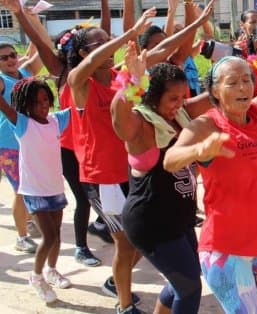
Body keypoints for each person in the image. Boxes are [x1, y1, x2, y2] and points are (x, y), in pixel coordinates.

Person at [163, 20, 257, 314]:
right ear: (214, 91)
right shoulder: (205, 125)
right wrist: (198, 150)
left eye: (247, 80)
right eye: (233, 82)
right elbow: (169, 160)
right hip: (226, 249)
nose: (243, 87)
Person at [63, 8, 159, 313]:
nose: (110, 46)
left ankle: (118, 280)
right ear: (82, 52)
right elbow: (89, 64)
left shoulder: (120, 77)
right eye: (100, 43)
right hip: (102, 177)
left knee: (148, 237)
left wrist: (190, 20)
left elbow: (162, 51)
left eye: (110, 41)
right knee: (126, 242)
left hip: (129, 171)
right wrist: (128, 34)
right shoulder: (79, 83)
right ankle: (124, 303)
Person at [4, 0, 113, 265]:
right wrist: (19, 13)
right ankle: (81, 247)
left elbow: (106, 36)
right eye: (94, 46)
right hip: (67, 148)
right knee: (85, 198)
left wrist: (106, 4)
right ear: (78, 50)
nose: (103, 49)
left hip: (92, 146)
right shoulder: (63, 73)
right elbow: (40, 45)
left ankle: (103, 226)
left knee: (102, 194)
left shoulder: (100, 73)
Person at [112, 42, 201, 314]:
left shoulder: (180, 116)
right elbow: (118, 117)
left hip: (180, 219)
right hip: (151, 223)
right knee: (189, 287)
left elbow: (222, 95)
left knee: (181, 282)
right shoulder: (141, 124)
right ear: (153, 96)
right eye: (173, 98)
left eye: (183, 97)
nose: (180, 103)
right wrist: (133, 79)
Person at [0, 78, 71, 302]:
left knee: (57, 235)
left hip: (55, 188)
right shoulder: (21, 123)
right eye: (36, 101)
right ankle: (36, 276)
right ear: (24, 104)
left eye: (45, 100)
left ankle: (51, 270)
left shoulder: (56, 120)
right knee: (48, 237)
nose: (42, 105)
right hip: (34, 191)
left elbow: (80, 105)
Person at [0, 41, 42, 254]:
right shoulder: (2, 80)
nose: (10, 59)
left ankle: (27, 219)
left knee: (30, 187)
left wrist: (31, 19)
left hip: (29, 140)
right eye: (4, 57)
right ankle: (21, 237)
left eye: (12, 55)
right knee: (21, 190)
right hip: (9, 144)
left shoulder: (24, 72)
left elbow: (43, 51)